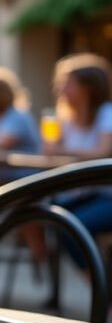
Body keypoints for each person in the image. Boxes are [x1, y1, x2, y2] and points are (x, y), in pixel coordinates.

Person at [47, 53, 112, 268]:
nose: (60, 90)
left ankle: (103, 290)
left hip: (106, 195)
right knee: (45, 215)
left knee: (74, 226)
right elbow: (51, 150)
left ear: (87, 88)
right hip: (82, 192)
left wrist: (61, 150)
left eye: (68, 84)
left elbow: (102, 152)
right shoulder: (66, 119)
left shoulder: (107, 114)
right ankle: (100, 288)